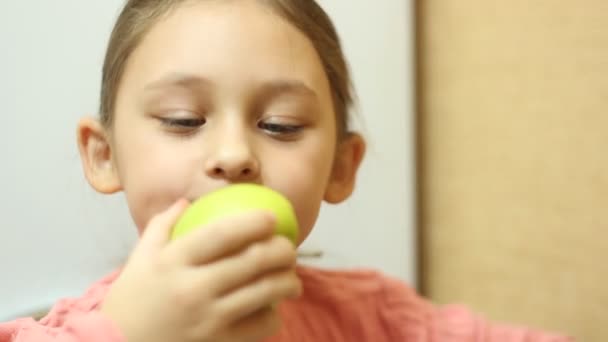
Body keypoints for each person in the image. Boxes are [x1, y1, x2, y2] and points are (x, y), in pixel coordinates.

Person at [0, 0, 574, 341]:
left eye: (280, 125)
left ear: (341, 168)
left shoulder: (374, 320)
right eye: (182, 119)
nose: (234, 153)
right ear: (104, 155)